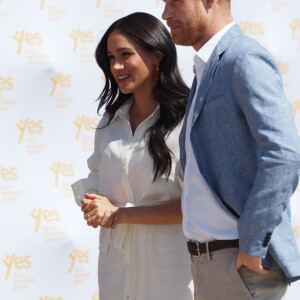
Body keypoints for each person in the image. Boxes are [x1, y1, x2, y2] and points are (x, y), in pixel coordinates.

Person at [161, 1, 300, 299]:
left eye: (175, 2)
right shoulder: (206, 67)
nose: (166, 14)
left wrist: (252, 245)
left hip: (238, 264)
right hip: (211, 263)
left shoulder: (243, 57)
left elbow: (284, 154)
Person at [71, 12, 193, 300]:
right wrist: (91, 202)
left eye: (125, 54)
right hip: (117, 273)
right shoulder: (110, 123)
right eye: (111, 57)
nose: (116, 66)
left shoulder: (187, 120)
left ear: (157, 56)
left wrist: (120, 214)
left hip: (172, 276)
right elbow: (96, 181)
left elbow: (198, 205)